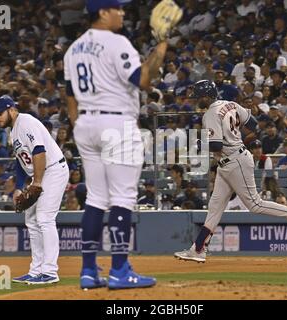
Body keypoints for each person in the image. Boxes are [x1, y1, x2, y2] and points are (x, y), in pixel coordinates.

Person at [64, 0, 169, 290]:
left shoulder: (73, 49)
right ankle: (120, 269)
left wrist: (79, 126)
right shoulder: (116, 42)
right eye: (117, 8)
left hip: (86, 124)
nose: (122, 13)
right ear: (102, 12)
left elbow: (70, 95)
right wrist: (160, 49)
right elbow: (144, 81)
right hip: (116, 123)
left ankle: (88, 270)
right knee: (122, 197)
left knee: (96, 199)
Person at [174, 80, 287, 263]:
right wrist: (235, 137)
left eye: (199, 97)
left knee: (255, 204)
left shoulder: (210, 113)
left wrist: (201, 143)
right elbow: (253, 122)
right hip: (229, 162)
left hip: (235, 161)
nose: (196, 100)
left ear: (207, 95)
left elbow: (216, 144)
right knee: (215, 207)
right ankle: (198, 249)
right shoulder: (230, 104)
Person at [0, 96, 69, 284]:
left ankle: (50, 272)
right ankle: (36, 271)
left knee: (44, 219)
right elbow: (20, 162)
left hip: (53, 170)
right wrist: (18, 188)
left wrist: (37, 183)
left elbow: (39, 151)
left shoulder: (26, 122)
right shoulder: (13, 132)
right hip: (41, 174)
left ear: (11, 109)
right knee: (31, 221)